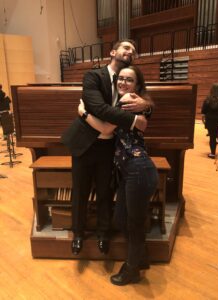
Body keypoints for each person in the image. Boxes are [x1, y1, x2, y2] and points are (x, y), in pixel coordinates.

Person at [62, 39, 151, 256]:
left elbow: (106, 117)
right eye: (126, 47)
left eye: (133, 50)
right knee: (80, 192)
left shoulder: (129, 87)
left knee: (104, 191)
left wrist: (146, 106)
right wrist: (132, 119)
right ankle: (79, 234)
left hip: (109, 146)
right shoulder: (93, 76)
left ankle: (103, 234)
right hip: (84, 143)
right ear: (113, 52)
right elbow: (98, 107)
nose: (130, 51)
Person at [78, 65, 159, 286]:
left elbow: (105, 129)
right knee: (121, 219)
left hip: (138, 169)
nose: (123, 82)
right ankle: (141, 258)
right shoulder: (132, 102)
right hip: (130, 171)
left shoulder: (127, 102)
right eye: (120, 79)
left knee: (132, 224)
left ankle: (131, 269)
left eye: (129, 80)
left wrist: (83, 112)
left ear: (137, 86)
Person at [201, 82, 218, 159]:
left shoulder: (208, 99)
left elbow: (203, 112)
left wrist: (204, 121)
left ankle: (212, 154)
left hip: (211, 122)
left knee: (212, 137)